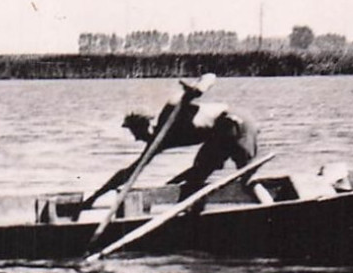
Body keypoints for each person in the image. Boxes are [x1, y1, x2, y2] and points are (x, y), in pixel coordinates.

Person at [97, 74, 259, 200]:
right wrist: (94, 197)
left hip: (237, 122)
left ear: (144, 125)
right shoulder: (157, 143)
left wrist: (198, 88)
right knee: (195, 178)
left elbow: (210, 76)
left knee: (248, 180)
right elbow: (128, 174)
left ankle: (272, 213)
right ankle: (192, 227)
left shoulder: (170, 113)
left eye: (134, 131)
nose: (135, 138)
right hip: (219, 134)